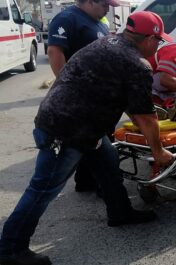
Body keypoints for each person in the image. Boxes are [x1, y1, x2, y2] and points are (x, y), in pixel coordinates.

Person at [0, 11, 174, 265]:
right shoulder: (136, 64)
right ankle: (10, 249)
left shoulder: (106, 41)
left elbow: (125, 98)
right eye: (158, 41)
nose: (158, 46)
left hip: (72, 121)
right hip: (67, 130)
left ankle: (120, 212)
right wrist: (158, 151)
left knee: (107, 159)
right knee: (42, 190)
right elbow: (145, 117)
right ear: (147, 38)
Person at [47, 0, 119, 193]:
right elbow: (55, 51)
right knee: (97, 142)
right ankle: (108, 190)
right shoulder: (67, 18)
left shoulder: (98, 21)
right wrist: (67, 86)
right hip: (81, 95)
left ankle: (86, 181)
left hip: (99, 94)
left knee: (93, 141)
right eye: (105, 4)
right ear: (90, 1)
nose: (108, 8)